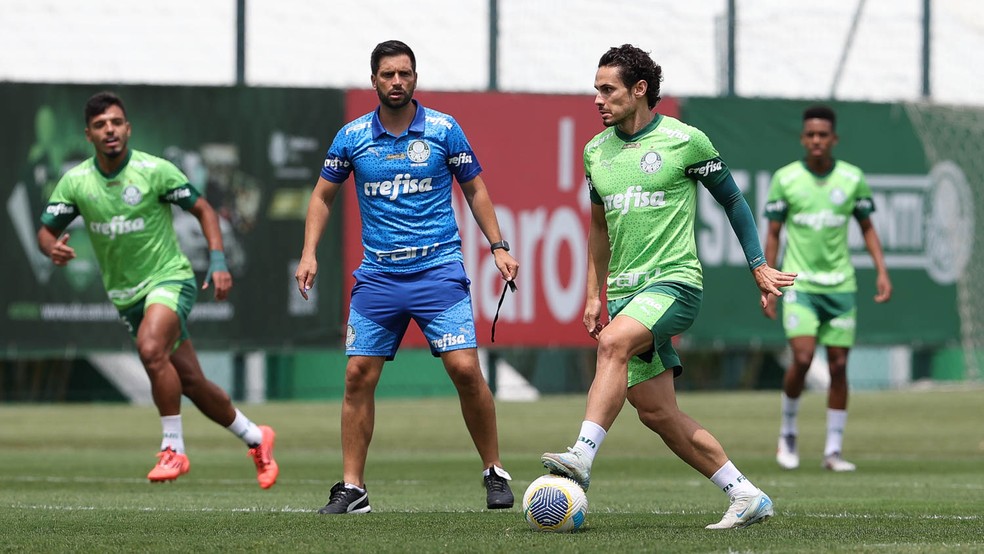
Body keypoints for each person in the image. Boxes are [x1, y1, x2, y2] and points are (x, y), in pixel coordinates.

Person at [540, 44, 797, 530]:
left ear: (639, 90)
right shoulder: (595, 151)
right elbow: (597, 227)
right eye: (596, 90)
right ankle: (744, 494)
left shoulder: (685, 140)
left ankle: (581, 456)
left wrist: (758, 265)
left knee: (614, 344)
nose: (597, 99)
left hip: (675, 285)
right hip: (624, 294)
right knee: (657, 413)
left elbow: (735, 203)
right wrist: (593, 294)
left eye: (607, 89)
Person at [295, 40, 519, 514]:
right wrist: (309, 252)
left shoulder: (443, 129)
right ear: (373, 80)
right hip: (379, 276)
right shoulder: (352, 136)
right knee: (357, 375)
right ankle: (353, 489)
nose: (397, 82)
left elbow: (474, 188)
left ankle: (494, 471)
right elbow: (321, 197)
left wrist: (498, 245)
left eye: (405, 74)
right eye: (388, 75)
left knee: (464, 369)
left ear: (415, 78)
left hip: (438, 268)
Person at [37, 91, 279, 489]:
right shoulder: (77, 182)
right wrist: (52, 247)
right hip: (127, 296)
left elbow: (203, 209)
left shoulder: (154, 171)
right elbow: (45, 232)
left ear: (127, 128)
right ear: (88, 135)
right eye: (100, 125)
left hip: (170, 279)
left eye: (116, 122)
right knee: (192, 383)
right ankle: (256, 436)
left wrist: (217, 260)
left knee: (150, 349)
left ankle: (173, 449)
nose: (109, 130)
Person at [763, 105, 892, 472]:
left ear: (834, 139)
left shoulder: (852, 178)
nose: (817, 141)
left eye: (823, 135)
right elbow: (772, 233)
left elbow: (867, 227)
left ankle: (833, 451)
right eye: (810, 135)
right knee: (802, 359)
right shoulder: (785, 179)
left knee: (839, 366)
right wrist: (769, 279)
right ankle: (788, 432)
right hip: (800, 286)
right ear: (803, 139)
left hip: (841, 288)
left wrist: (882, 270)